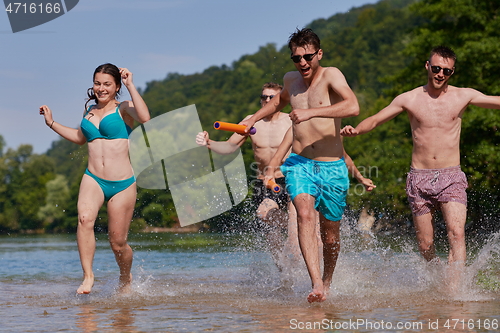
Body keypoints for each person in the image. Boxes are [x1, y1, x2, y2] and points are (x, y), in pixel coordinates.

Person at [240, 28, 373, 303]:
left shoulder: (331, 75)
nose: (302, 63)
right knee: (303, 214)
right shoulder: (291, 80)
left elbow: (353, 106)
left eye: (307, 57)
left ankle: (327, 279)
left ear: (318, 54)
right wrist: (253, 119)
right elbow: (277, 102)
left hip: (331, 165)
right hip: (300, 163)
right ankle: (315, 284)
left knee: (330, 235)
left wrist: (312, 112)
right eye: (296, 58)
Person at [341, 46, 500, 275]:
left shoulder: (463, 95)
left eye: (447, 71)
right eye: (436, 69)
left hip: (451, 176)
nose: (440, 75)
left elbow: (495, 100)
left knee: (456, 233)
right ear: (427, 66)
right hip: (419, 178)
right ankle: (437, 283)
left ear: (452, 72)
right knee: (425, 246)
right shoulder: (409, 99)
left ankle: (455, 294)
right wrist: (356, 130)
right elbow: (376, 119)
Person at [39, 63, 150, 294]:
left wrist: (131, 85)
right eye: (97, 83)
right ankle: (88, 276)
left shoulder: (124, 108)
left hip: (122, 184)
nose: (101, 88)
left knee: (117, 243)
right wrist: (51, 123)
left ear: (116, 86)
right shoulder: (89, 110)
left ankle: (125, 276)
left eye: (107, 84)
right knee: (84, 219)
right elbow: (80, 137)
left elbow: (146, 118)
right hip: (93, 179)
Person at [196, 82, 300, 271]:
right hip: (265, 182)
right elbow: (230, 147)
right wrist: (209, 143)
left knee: (294, 239)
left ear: (280, 100)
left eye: (271, 97)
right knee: (264, 218)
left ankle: (299, 233)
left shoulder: (291, 120)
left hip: (291, 178)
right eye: (263, 97)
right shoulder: (251, 121)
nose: (266, 101)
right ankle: (284, 272)